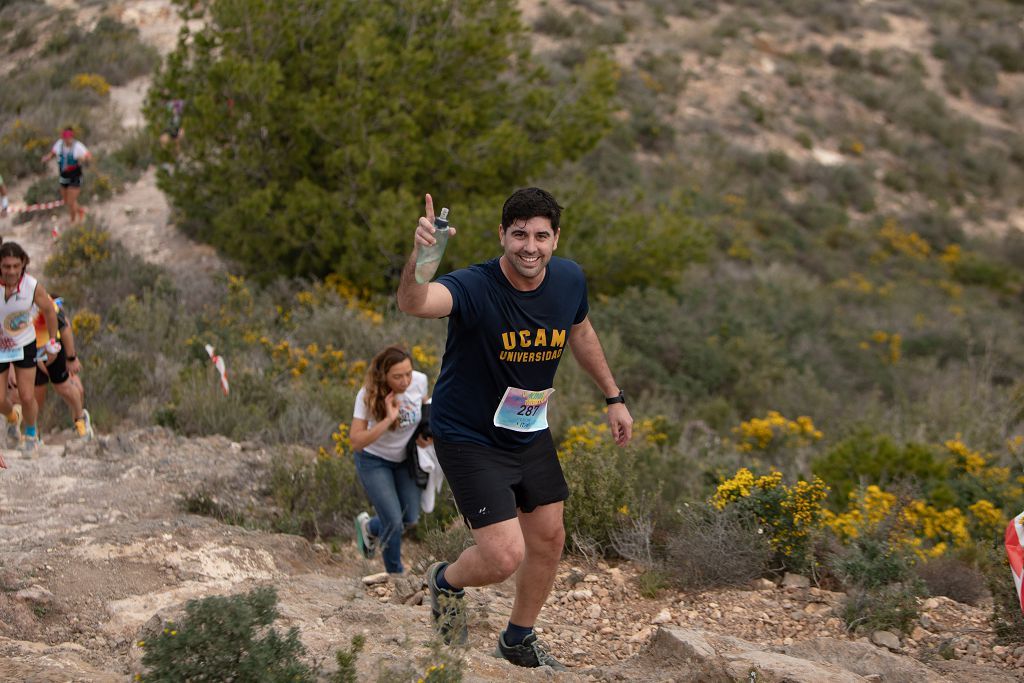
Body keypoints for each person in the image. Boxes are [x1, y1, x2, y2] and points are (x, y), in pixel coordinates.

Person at [396, 188, 633, 669]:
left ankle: (517, 639)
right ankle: (445, 581)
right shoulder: (473, 286)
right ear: (502, 234)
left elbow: (580, 330)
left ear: (556, 238)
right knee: (504, 556)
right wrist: (423, 257)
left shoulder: (568, 280)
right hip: (468, 435)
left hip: (528, 427)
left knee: (548, 539)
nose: (530, 246)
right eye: (519, 234)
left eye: (541, 236)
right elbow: (416, 302)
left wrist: (613, 396)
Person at [350, 346, 431, 576]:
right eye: (397, 376)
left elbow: (424, 405)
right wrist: (388, 420)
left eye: (408, 373)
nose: (405, 381)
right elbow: (356, 441)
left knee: (410, 517)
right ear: (383, 375)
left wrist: (425, 433)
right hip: (374, 460)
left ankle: (369, 527)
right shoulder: (367, 394)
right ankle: (395, 575)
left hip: (406, 459)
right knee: (393, 522)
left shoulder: (419, 381)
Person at [0, 242, 60, 453]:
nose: (12, 271)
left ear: (23, 263)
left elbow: (50, 311)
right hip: (0, 348)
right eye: (6, 266)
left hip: (24, 344)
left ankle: (31, 435)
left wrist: (52, 342)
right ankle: (13, 417)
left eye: (16, 265)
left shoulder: (31, 286)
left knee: (26, 396)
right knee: (0, 399)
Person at [33, 295, 93, 439]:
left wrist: (71, 357)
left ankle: (80, 420)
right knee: (33, 394)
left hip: (51, 348)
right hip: (29, 352)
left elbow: (65, 328)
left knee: (64, 387)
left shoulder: (40, 299)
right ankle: (33, 432)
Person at [40, 127, 92, 226]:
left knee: (71, 201)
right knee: (67, 200)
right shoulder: (59, 145)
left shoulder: (78, 147)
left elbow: (89, 156)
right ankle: (81, 211)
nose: (68, 140)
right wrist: (46, 158)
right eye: (66, 138)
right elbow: (53, 153)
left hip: (75, 177)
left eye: (70, 138)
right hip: (63, 175)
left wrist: (84, 159)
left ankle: (73, 221)